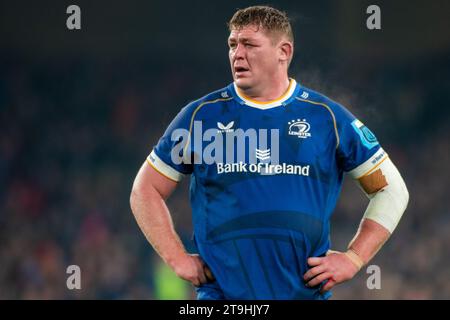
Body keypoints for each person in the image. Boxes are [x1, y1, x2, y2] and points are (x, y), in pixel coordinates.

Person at [130, 5, 409, 300]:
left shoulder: (328, 118)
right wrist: (177, 258)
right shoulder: (200, 116)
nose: (237, 53)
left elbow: (391, 190)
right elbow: (145, 189)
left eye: (249, 44)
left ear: (283, 52)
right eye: (232, 44)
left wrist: (354, 258)